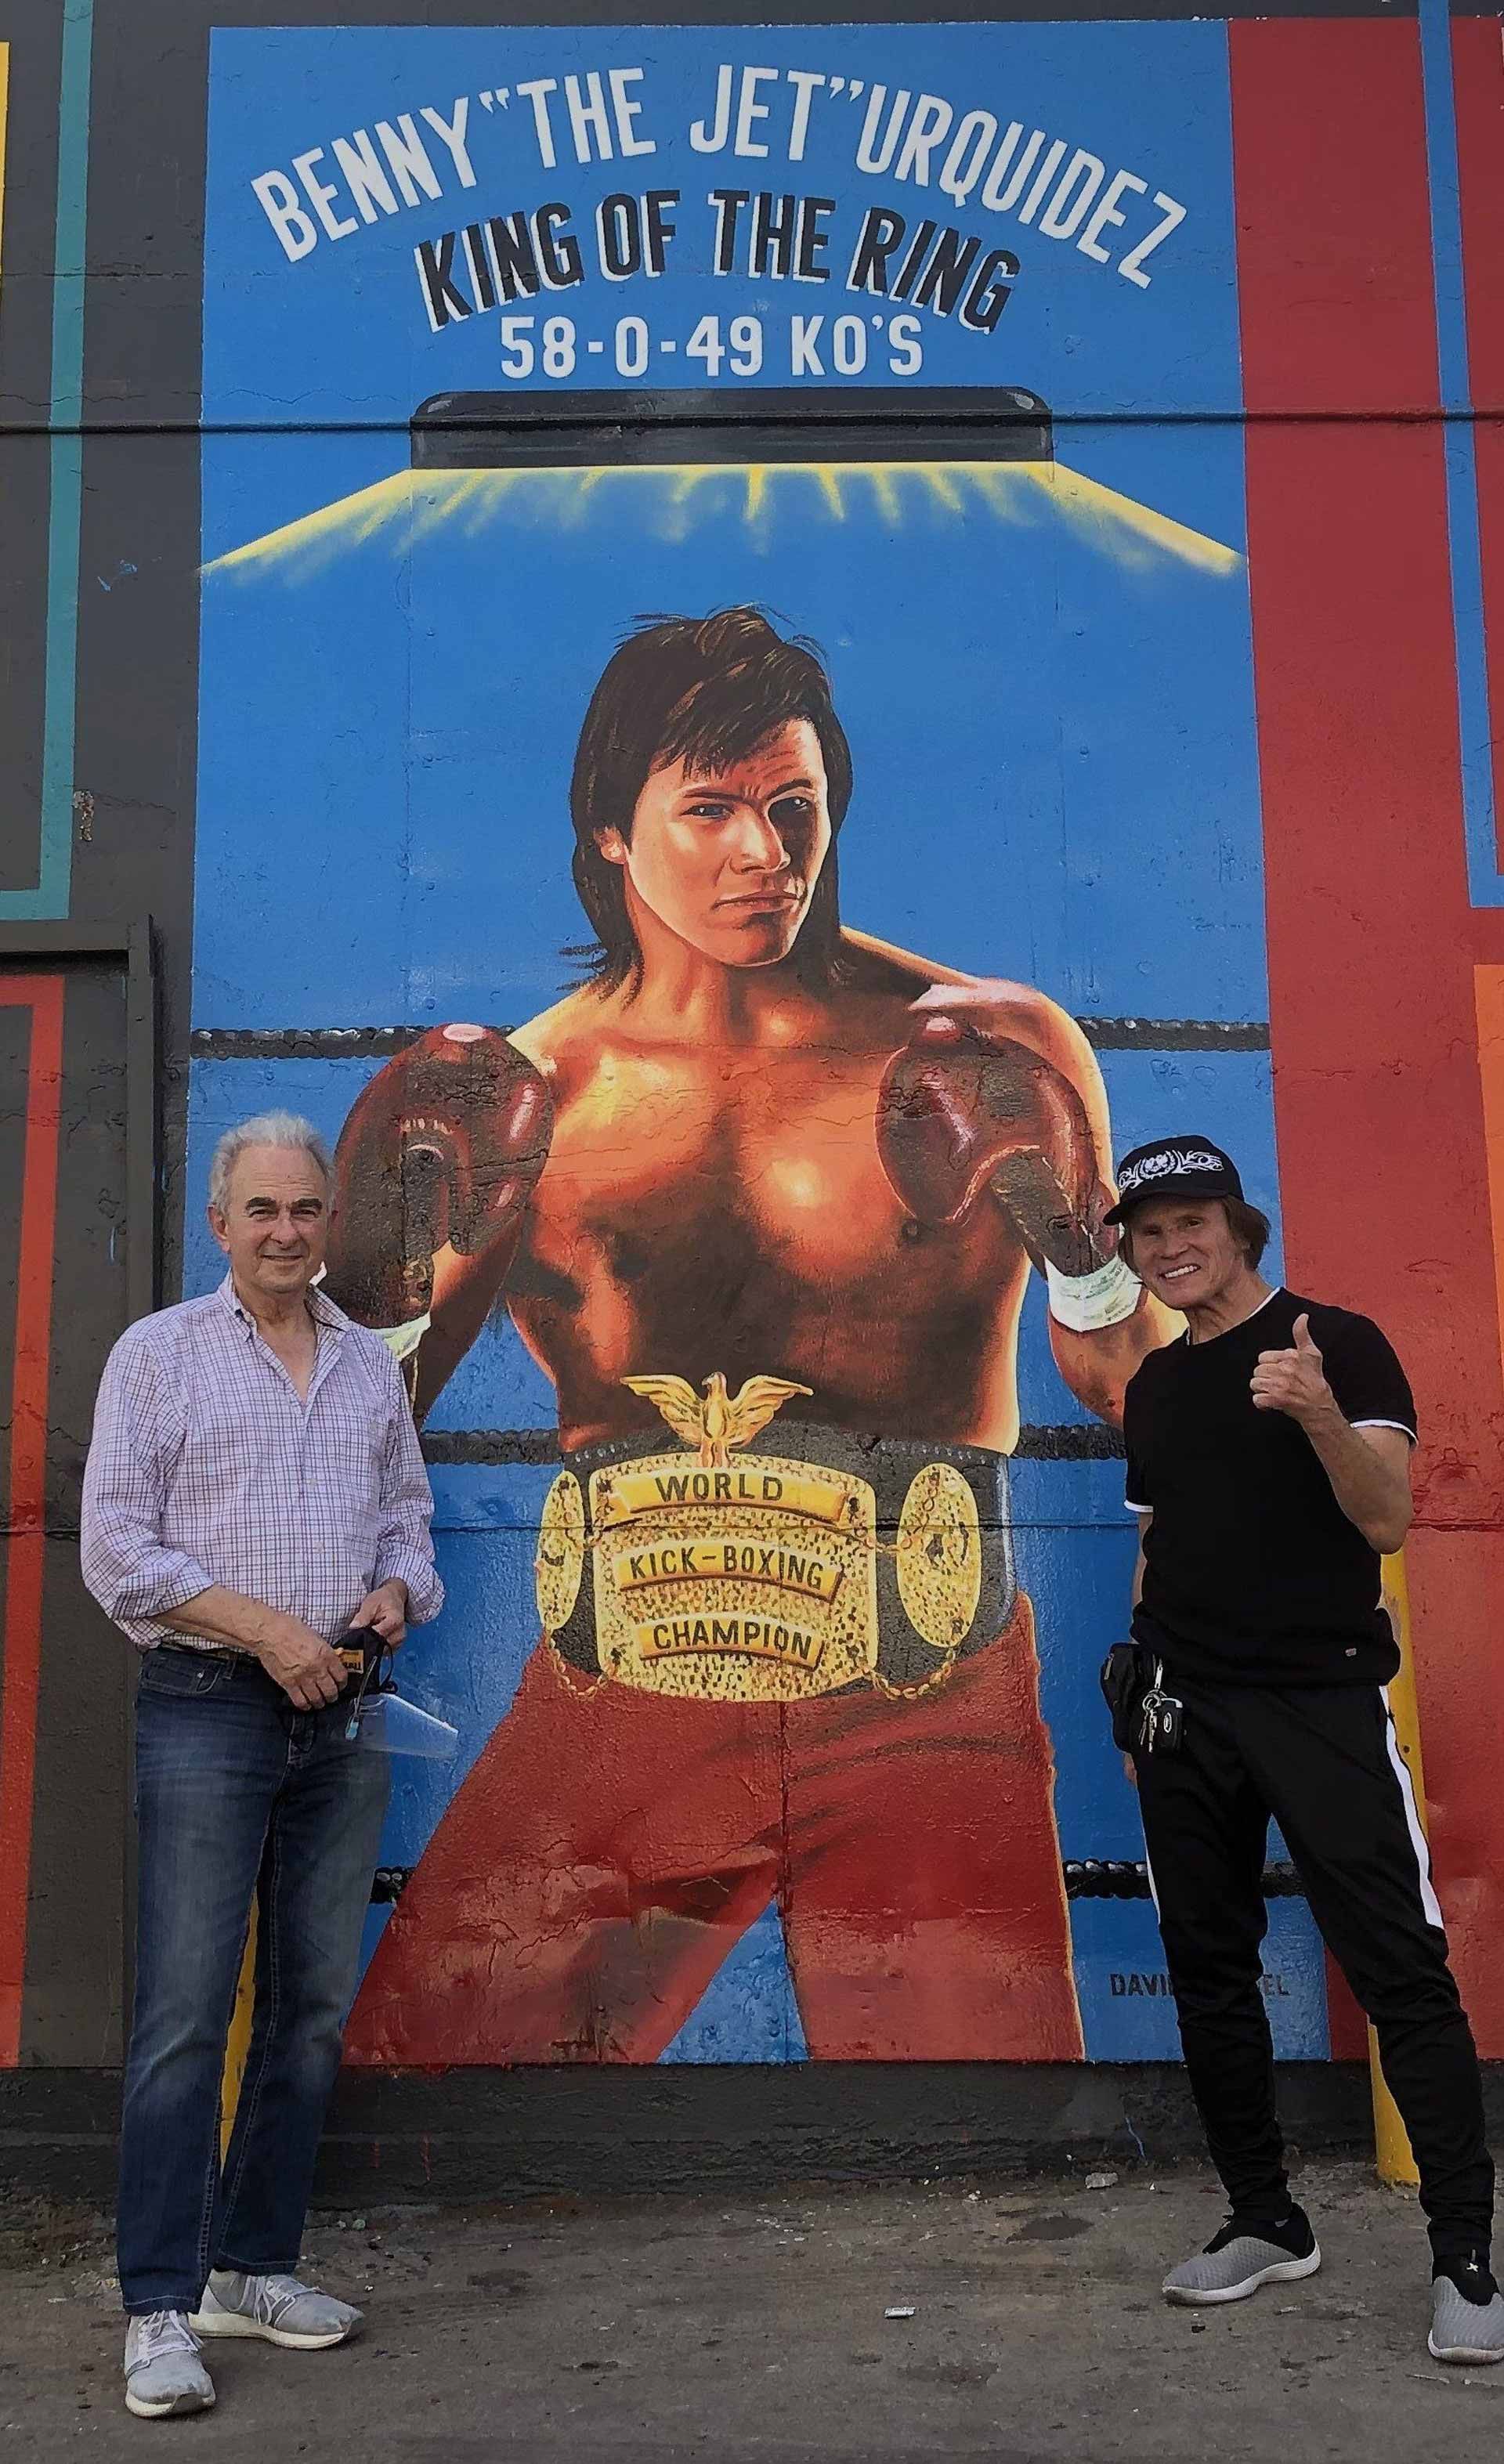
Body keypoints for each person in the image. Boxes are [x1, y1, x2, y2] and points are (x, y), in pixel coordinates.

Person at [326, 605, 1173, 2069]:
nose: (762, 852)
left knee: (982, 2143)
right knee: (417, 2082)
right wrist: (387, 1271)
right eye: (709, 809)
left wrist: (1080, 1243)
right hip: (617, 1699)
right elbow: (355, 1421)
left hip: (929, 1698)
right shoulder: (533, 1088)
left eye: (792, 807)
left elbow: (1134, 1384)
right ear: (611, 831)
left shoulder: (986, 1043)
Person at [1109, 1133, 1502, 2365]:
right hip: (1186, 1711)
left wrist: (1320, 1408)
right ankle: (1265, 2218)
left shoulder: (1339, 1340)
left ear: (1241, 1229)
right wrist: (1138, 1688)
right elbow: (1160, 1536)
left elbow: (1386, 1515)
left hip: (1319, 1702)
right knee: (1208, 1965)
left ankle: (1468, 2263)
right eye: (1149, 1230)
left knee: (1401, 1969)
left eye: (1193, 1223)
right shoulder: (1158, 1387)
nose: (1172, 1246)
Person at [81, 1111, 443, 2420]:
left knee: (307, 2007)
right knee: (184, 2013)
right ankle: (159, 2304)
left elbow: (410, 1511)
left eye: (305, 1212)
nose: (286, 1233)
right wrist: (269, 1631)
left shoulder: (365, 1367)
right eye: (262, 1213)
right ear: (221, 1224)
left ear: (326, 1223)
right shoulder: (160, 1357)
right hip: (206, 1706)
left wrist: (398, 1585)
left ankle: (251, 2265)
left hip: (340, 1714)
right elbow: (116, 1549)